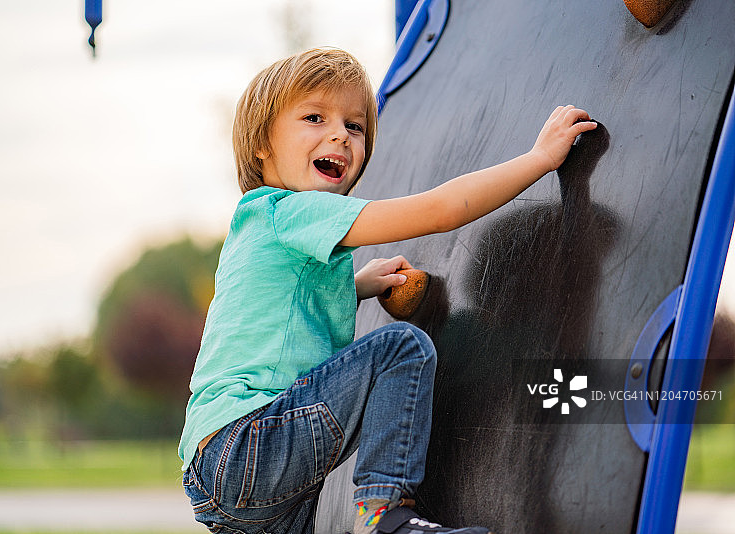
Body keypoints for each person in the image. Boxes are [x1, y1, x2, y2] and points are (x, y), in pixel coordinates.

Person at [178, 47, 596, 534]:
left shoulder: (257, 226)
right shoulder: (291, 210)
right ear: (261, 146)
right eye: (314, 117)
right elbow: (441, 210)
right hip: (252, 441)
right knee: (400, 350)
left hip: (219, 475)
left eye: (355, 126)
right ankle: (386, 516)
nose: (339, 133)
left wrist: (353, 287)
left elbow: (269, 316)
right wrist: (539, 159)